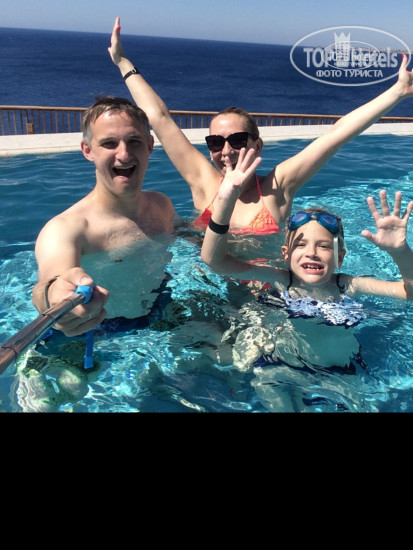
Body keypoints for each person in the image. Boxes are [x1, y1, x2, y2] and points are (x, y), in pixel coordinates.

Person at [108, 16, 413, 234]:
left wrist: (397, 92)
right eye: (216, 142)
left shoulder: (278, 186)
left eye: (238, 140)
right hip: (204, 290)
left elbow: (337, 134)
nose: (226, 151)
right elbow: (159, 118)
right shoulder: (203, 181)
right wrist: (123, 63)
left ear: (257, 145)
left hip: (262, 297)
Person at [200, 148, 413, 373]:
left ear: (340, 257)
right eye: (300, 245)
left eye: (323, 246)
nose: (311, 252)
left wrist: (400, 251)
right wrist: (224, 202)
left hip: (339, 373)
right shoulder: (280, 279)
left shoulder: (348, 285)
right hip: (276, 367)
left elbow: (409, 293)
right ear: (286, 255)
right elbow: (215, 261)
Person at [32, 96, 183, 337]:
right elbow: (50, 283)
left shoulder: (161, 205)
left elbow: (189, 235)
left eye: (134, 141)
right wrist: (55, 298)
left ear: (149, 145)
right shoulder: (67, 229)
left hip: (159, 310)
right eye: (109, 143)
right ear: (88, 150)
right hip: (97, 331)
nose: (124, 154)